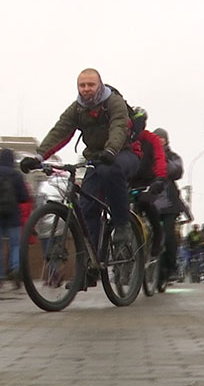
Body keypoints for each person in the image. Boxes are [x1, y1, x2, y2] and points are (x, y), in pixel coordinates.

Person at [20, 68, 140, 289]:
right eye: (82, 85)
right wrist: (38, 156)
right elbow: (60, 131)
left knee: (110, 171)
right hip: (97, 158)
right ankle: (90, 269)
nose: (86, 89)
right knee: (86, 209)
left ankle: (122, 225)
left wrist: (111, 150)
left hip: (123, 154)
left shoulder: (113, 103)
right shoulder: (77, 109)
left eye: (90, 85)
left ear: (100, 85)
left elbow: (119, 127)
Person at [128, 113, 169, 289]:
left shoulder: (151, 139)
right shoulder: (124, 137)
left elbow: (160, 158)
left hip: (147, 182)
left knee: (147, 205)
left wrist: (160, 178)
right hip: (128, 181)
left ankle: (156, 239)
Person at [0, 148, 30, 289]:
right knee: (15, 245)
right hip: (13, 216)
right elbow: (24, 196)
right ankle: (15, 270)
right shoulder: (16, 175)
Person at [151, 127, 191, 290]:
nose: (160, 141)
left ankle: (170, 268)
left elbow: (176, 170)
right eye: (157, 139)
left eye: (162, 139)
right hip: (150, 202)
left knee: (169, 238)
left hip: (169, 205)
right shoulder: (147, 155)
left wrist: (161, 160)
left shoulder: (173, 157)